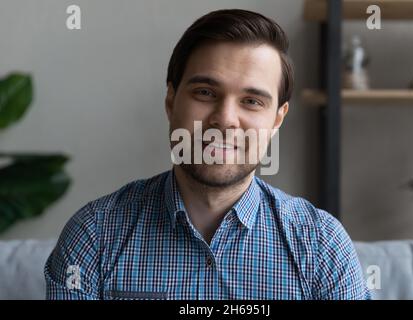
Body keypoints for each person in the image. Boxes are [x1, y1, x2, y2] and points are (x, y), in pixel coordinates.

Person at [45, 9, 370, 300]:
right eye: (205, 93)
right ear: (171, 102)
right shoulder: (94, 234)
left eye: (252, 101)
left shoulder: (321, 245)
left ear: (276, 120)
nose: (224, 119)